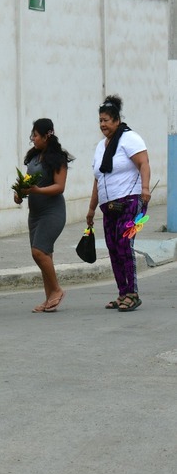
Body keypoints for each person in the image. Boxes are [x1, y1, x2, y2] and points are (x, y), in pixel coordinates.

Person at [86, 95, 151, 312]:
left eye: (106, 120)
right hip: (109, 207)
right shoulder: (100, 146)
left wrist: (145, 190)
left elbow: (143, 163)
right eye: (100, 121)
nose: (103, 124)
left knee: (125, 245)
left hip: (131, 202)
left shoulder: (130, 139)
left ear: (116, 120)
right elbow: (98, 179)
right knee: (113, 248)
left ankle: (133, 293)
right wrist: (91, 208)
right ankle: (122, 293)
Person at [15, 119, 73, 313]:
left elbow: (59, 186)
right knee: (44, 255)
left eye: (35, 135)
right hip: (35, 213)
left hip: (52, 212)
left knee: (38, 251)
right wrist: (20, 192)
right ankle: (49, 299)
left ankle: (57, 290)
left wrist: (37, 190)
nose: (33, 139)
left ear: (47, 135)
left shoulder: (58, 158)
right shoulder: (33, 156)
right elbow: (27, 182)